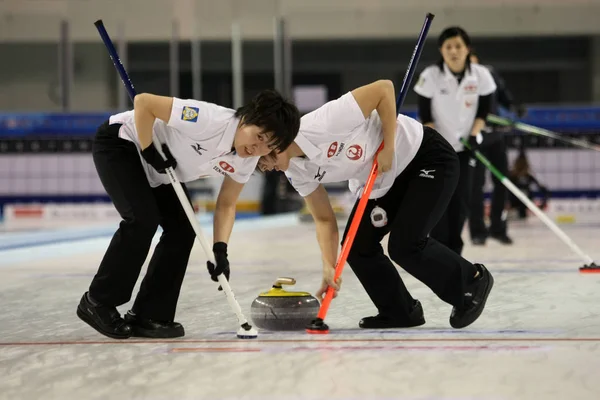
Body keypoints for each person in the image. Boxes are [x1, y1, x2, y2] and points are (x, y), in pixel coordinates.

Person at [258, 79, 494, 330]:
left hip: (424, 157)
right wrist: (328, 266)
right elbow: (324, 219)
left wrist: (389, 147)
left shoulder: (323, 123)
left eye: (264, 156)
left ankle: (472, 282)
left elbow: (384, 89)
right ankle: (400, 311)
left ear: (278, 138)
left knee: (406, 245)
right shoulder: (296, 172)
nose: (263, 165)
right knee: (358, 245)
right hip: (383, 179)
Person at [77, 90, 300, 339]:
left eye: (267, 146)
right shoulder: (209, 119)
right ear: (247, 119)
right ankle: (97, 301)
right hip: (123, 144)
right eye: (258, 137)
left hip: (160, 170)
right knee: (142, 219)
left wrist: (220, 250)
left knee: (182, 229)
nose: (256, 148)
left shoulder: (246, 159)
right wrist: (148, 147)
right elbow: (144, 102)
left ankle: (149, 314)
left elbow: (226, 203)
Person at [413, 26, 497, 256]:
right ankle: (439, 250)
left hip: (465, 148)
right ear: (441, 50)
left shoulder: (481, 75)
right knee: (439, 200)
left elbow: (484, 110)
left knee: (461, 201)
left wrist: (474, 134)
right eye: (448, 47)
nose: (453, 51)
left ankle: (455, 252)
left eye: (458, 46)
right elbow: (425, 115)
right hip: (439, 150)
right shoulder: (430, 76)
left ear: (467, 49)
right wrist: (437, 143)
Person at [468, 50, 527, 245]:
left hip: (495, 137)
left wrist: (513, 106)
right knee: (475, 186)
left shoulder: (489, 74)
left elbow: (503, 96)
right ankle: (477, 231)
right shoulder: (457, 82)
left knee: (502, 182)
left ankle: (498, 228)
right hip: (473, 138)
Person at [509, 150, 549, 219]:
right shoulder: (512, 176)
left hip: (524, 204)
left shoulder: (528, 177)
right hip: (514, 203)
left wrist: (543, 203)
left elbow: (543, 189)